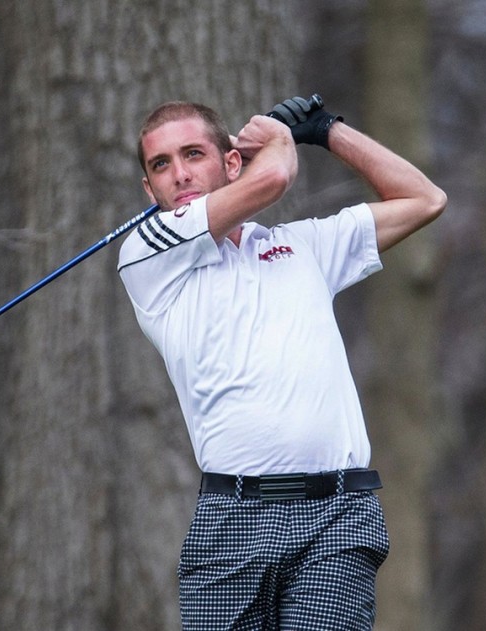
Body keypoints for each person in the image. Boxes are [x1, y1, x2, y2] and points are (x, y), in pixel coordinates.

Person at [116, 95, 447, 630]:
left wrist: (328, 130)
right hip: (231, 519)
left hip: (336, 515)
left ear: (228, 163)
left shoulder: (304, 248)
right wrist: (279, 141)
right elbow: (271, 181)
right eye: (161, 165)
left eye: (193, 154)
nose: (178, 174)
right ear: (148, 189)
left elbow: (424, 198)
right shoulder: (147, 254)